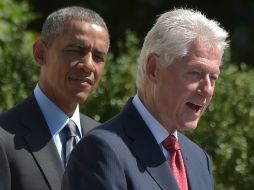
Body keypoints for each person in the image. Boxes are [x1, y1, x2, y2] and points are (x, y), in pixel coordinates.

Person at [62, 8, 228, 190]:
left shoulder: (199, 160)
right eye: (195, 73)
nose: (207, 90)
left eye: (213, 78)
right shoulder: (100, 151)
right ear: (153, 68)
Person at [0, 6, 109, 190]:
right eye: (76, 50)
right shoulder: (4, 141)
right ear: (40, 54)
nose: (89, 65)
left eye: (98, 56)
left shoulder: (106, 139)